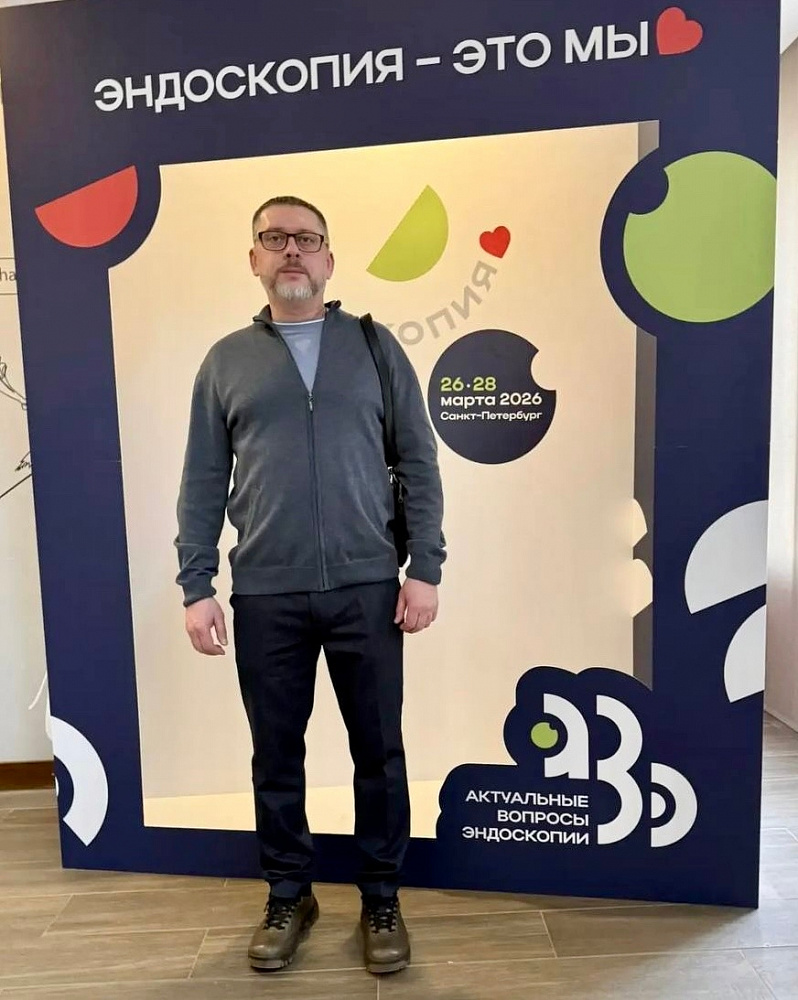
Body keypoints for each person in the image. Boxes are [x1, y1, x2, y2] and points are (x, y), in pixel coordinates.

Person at [175, 195, 446, 976]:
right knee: (275, 755)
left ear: (329, 258)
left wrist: (424, 568)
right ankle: (289, 893)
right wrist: (196, 583)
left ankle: (382, 897)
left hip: (368, 586)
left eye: (306, 238)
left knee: (379, 753)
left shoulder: (374, 346)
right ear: (254, 259)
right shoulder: (226, 361)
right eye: (275, 238)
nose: (291, 250)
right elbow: (203, 479)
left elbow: (418, 459)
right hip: (266, 592)